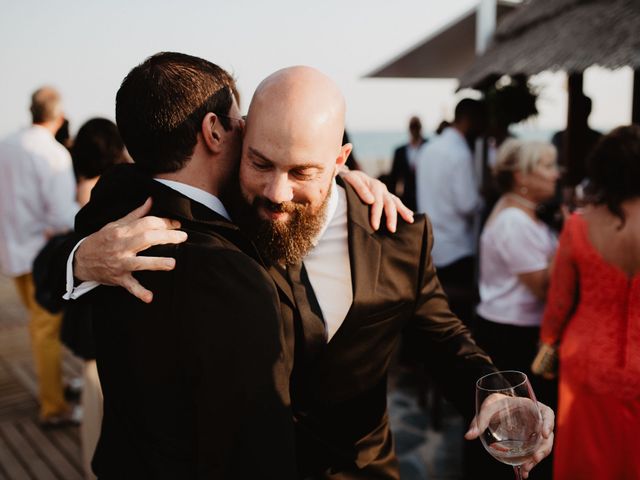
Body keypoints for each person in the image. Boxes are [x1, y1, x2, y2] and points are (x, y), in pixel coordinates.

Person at [67, 64, 554, 479]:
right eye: (261, 162)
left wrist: (489, 390)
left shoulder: (399, 234)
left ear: (339, 160)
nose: (276, 192)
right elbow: (130, 183)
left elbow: (444, 337)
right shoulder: (218, 209)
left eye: (302, 172)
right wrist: (82, 257)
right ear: (237, 139)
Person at [72, 52, 298, 478]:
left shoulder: (108, 216)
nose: (247, 127)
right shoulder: (225, 273)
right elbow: (257, 443)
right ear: (213, 130)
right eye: (237, 117)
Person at [538, 125, 640, 479]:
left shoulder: (579, 227)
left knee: (586, 463)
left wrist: (546, 349)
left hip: (585, 362)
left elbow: (559, 304)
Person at [473, 139, 559, 479]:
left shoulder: (520, 212)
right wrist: (573, 240)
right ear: (522, 175)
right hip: (510, 334)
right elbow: (543, 287)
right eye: (548, 167)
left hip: (514, 327)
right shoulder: (513, 221)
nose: (556, 174)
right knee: (515, 429)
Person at [0, 86, 78, 426]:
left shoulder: (6, 145)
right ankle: (53, 406)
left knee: (38, 328)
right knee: (45, 330)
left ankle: (53, 388)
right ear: (58, 117)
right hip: (40, 254)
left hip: (10, 248)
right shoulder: (54, 154)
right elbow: (63, 215)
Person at [415, 99, 486, 327]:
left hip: (432, 242)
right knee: (457, 317)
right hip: (457, 245)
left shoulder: (428, 148)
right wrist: (482, 199)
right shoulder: (460, 153)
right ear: (469, 120)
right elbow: (467, 204)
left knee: (435, 311)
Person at [388, 116, 426, 210]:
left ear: (421, 128)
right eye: (412, 126)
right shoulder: (400, 151)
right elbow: (394, 177)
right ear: (409, 128)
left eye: (417, 126)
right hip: (407, 198)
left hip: (425, 194)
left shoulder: (428, 148)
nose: (415, 129)